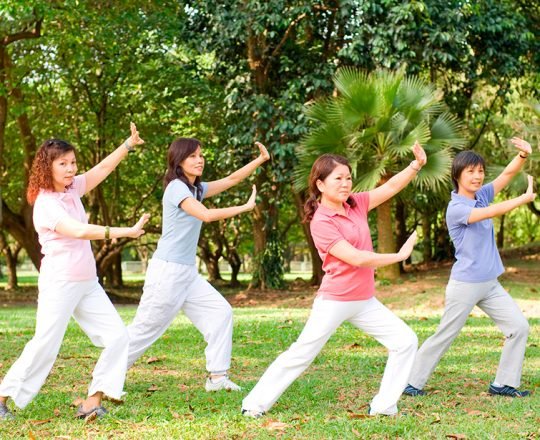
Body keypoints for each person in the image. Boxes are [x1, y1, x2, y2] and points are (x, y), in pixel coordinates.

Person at [241, 143, 427, 418]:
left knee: (405, 341)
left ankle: (384, 406)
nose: (345, 183)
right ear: (320, 184)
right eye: (338, 178)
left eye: (348, 177)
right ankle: (253, 404)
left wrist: (416, 165)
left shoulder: (357, 204)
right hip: (336, 300)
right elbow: (357, 258)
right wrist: (398, 255)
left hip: (364, 300)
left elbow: (389, 189)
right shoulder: (321, 221)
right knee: (302, 353)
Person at [0, 123, 149, 421]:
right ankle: (2, 396)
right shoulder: (45, 204)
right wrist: (125, 231)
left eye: (73, 162)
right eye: (63, 163)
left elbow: (103, 169)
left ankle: (92, 402)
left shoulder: (72, 189)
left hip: (87, 283)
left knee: (118, 337)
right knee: (45, 345)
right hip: (60, 283)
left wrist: (127, 145)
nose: (71, 169)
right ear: (47, 166)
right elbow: (79, 230)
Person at [126, 138, 269, 391]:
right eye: (192, 156)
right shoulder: (176, 189)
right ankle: (105, 378)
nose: (199, 160)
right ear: (178, 161)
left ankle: (217, 377)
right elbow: (206, 215)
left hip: (186, 273)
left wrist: (259, 160)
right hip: (167, 272)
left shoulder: (196, 189)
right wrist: (245, 207)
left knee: (220, 313)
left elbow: (231, 180)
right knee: (144, 330)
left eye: (200, 155)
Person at [403, 137, 536, 398]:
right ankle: (410, 382)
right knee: (445, 335)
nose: (477, 177)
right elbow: (490, 213)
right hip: (465, 285)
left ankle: (503, 384)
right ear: (457, 175)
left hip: (490, 283)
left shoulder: (482, 195)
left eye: (480, 171)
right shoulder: (457, 208)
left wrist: (522, 156)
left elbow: (506, 175)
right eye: (470, 172)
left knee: (519, 327)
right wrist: (523, 199)